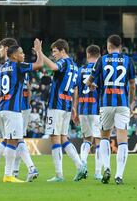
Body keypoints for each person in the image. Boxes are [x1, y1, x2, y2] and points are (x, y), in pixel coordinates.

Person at [0, 38, 39, 182]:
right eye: (21, 52)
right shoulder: (18, 66)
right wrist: (38, 51)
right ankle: (13, 173)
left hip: (4, 107)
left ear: (7, 49)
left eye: (1, 48)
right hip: (16, 108)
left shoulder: (2, 68)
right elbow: (30, 84)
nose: (0, 50)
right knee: (15, 140)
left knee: (8, 140)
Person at [86, 35, 136, 185]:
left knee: (104, 137)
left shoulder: (102, 59)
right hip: (122, 104)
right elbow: (133, 84)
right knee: (122, 139)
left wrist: (94, 86)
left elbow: (89, 81)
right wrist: (131, 102)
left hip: (106, 103)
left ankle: (106, 167)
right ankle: (119, 175)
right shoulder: (129, 60)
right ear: (120, 46)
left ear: (108, 46)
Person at [42, 39, 87, 182]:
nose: (53, 54)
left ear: (62, 51)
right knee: (63, 137)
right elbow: (75, 88)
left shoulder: (64, 62)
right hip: (67, 105)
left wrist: (39, 53)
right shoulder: (74, 65)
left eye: (54, 51)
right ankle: (80, 166)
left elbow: (54, 67)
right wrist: (74, 106)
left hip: (57, 104)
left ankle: (59, 174)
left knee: (55, 138)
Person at [72, 45, 103, 180]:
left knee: (86, 139)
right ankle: (97, 172)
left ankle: (82, 166)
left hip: (83, 109)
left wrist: (75, 109)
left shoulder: (81, 69)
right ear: (99, 55)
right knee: (99, 141)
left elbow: (77, 90)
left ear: (87, 54)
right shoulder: (100, 69)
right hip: (97, 109)